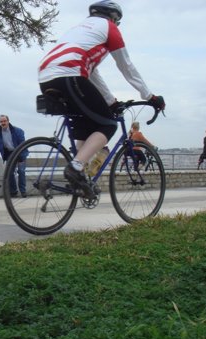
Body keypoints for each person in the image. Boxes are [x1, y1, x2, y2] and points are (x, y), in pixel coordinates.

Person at [37, 1, 165, 198]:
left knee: (85, 126)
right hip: (70, 73)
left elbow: (92, 73)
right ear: (113, 17)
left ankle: (79, 179)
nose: (117, 24)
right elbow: (126, 66)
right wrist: (150, 96)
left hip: (46, 76)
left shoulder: (79, 31)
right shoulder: (109, 28)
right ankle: (76, 168)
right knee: (108, 125)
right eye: (117, 21)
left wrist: (110, 100)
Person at [0, 115, 28, 197]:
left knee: (21, 171)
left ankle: (23, 191)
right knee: (10, 173)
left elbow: (22, 144)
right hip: (9, 154)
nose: (3, 123)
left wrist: (20, 155)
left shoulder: (18, 131)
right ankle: (13, 191)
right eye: (1, 121)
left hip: (20, 152)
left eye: (4, 121)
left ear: (8, 121)